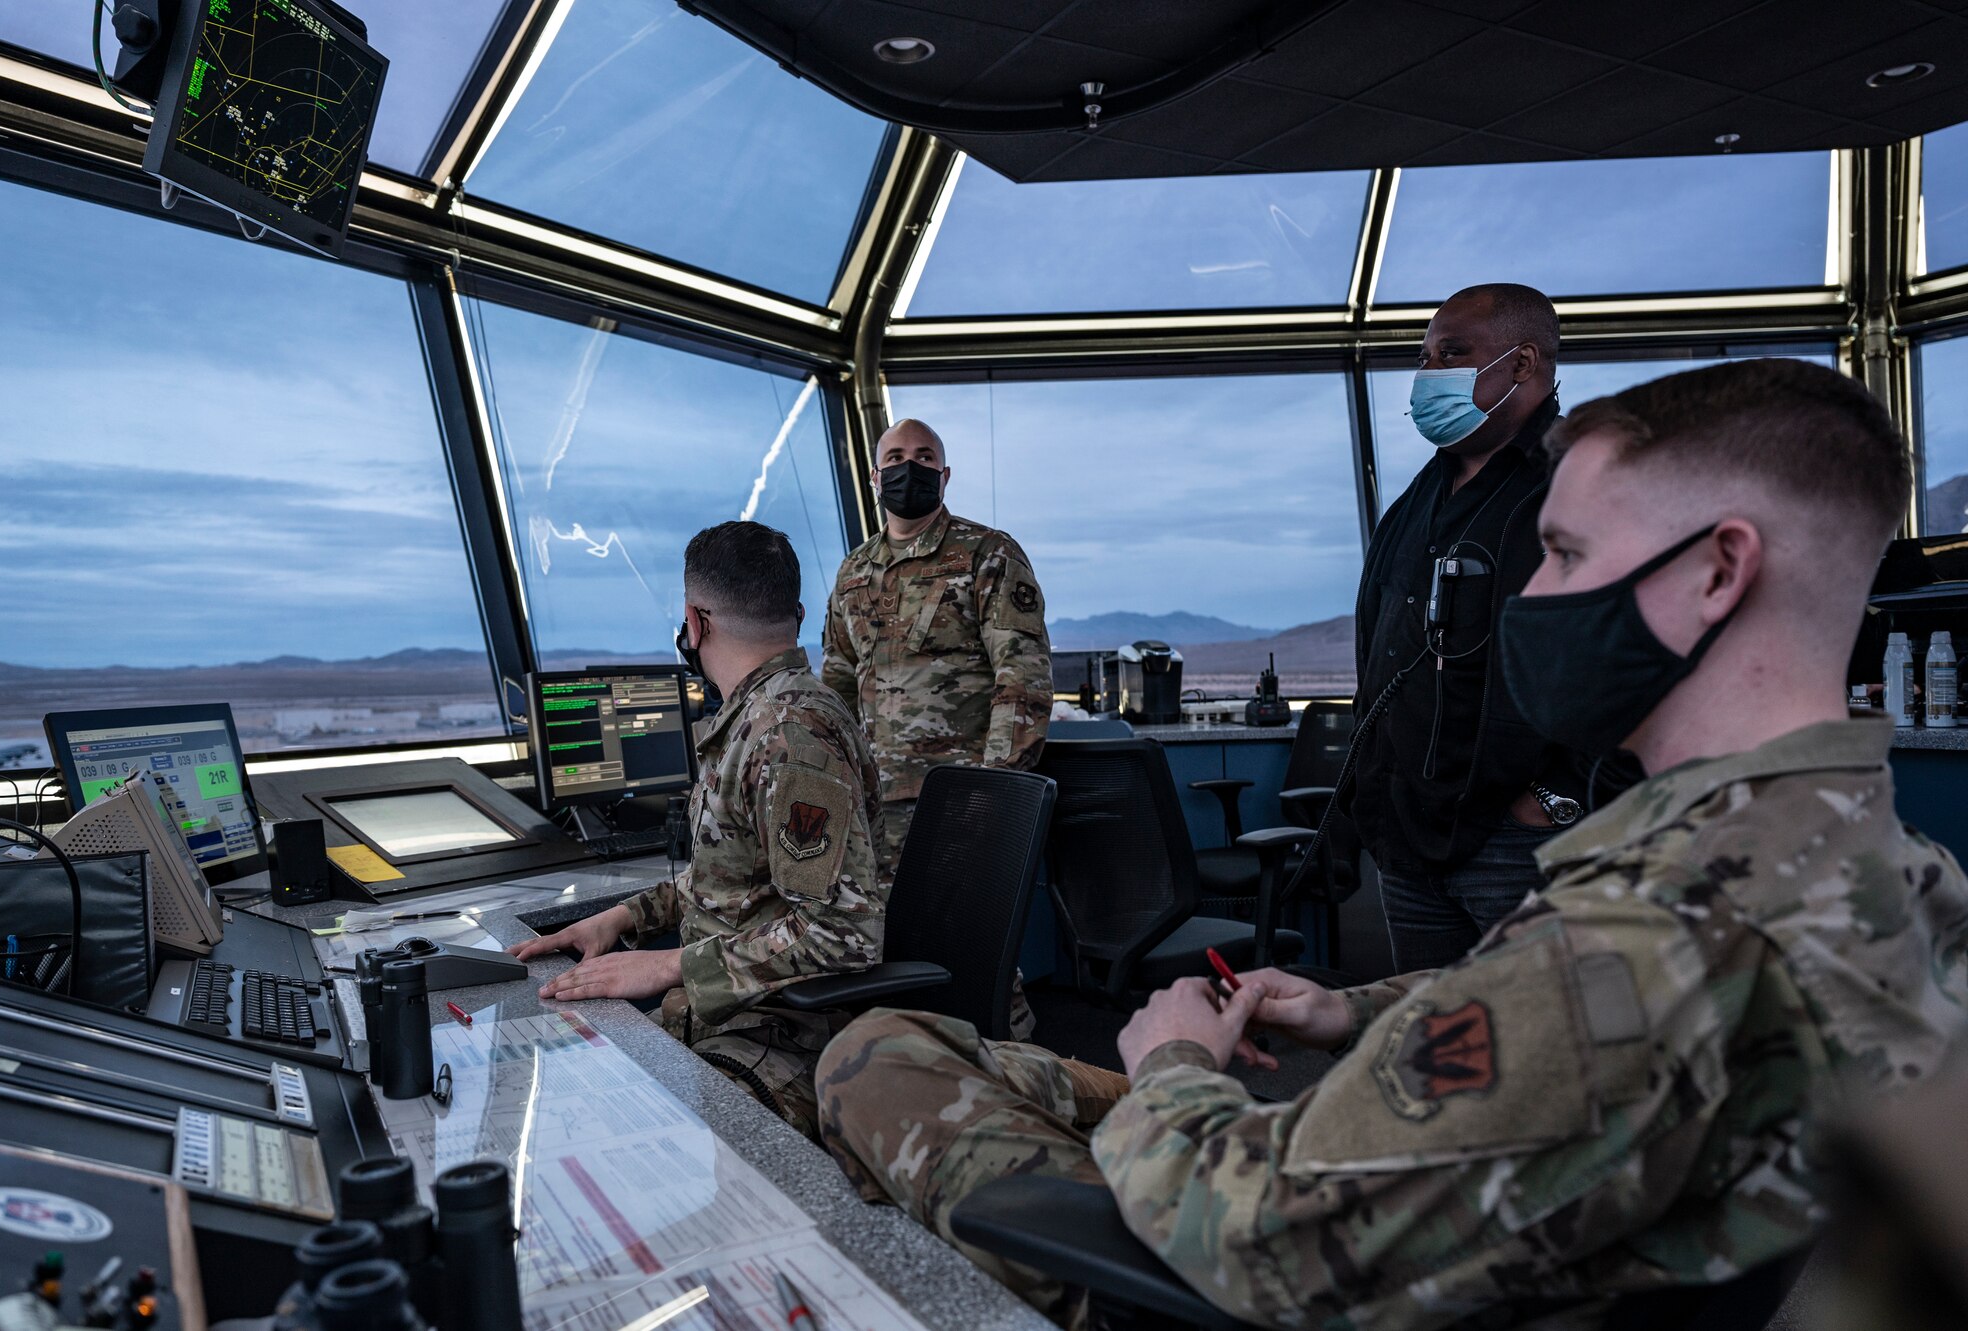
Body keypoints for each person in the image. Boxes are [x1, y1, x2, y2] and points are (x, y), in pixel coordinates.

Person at [812, 359, 1968, 1327]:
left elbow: (1252, 1232)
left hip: (1252, 1256)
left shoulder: (1656, 935)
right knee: (949, 1039)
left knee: (867, 1054)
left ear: (1718, 568)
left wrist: (1173, 1063)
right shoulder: (1891, 875)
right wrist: (1349, 1009)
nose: (1529, 598)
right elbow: (1552, 1025)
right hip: (1423, 1179)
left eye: (1562, 555)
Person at [510, 521, 886, 1137]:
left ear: (697, 622)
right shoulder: (754, 718)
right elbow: (733, 878)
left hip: (774, 1036)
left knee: (599, 1130)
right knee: (563, 1082)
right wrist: (624, 918)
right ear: (794, 614)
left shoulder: (790, 734)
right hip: (720, 1013)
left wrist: (667, 966)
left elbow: (844, 934)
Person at [1353, 283, 1630, 972]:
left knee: (1540, 1050)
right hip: (1411, 839)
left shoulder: (1584, 488)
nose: (1427, 375)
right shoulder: (1419, 500)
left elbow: (1637, 659)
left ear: (1522, 363)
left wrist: (1555, 796)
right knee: (1429, 1047)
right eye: (1423, 357)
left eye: (1451, 353)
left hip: (1516, 844)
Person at [822, 418, 1053, 876]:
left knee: (955, 938)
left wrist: (993, 791)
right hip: (871, 806)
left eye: (924, 458)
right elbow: (837, 685)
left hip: (959, 797)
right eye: (896, 459)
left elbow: (1023, 680)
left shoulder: (987, 552)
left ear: (945, 476)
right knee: (880, 941)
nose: (910, 468)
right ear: (875, 477)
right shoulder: (854, 571)